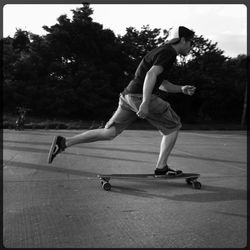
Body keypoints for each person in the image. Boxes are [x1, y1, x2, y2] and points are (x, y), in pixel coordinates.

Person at [48, 26, 196, 176]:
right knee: (173, 125)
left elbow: (161, 83)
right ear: (183, 40)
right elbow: (150, 75)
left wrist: (181, 88)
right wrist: (145, 102)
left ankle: (64, 142)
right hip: (139, 97)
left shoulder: (160, 50)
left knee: (109, 133)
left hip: (128, 96)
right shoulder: (169, 52)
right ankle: (161, 167)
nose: (191, 47)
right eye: (191, 43)